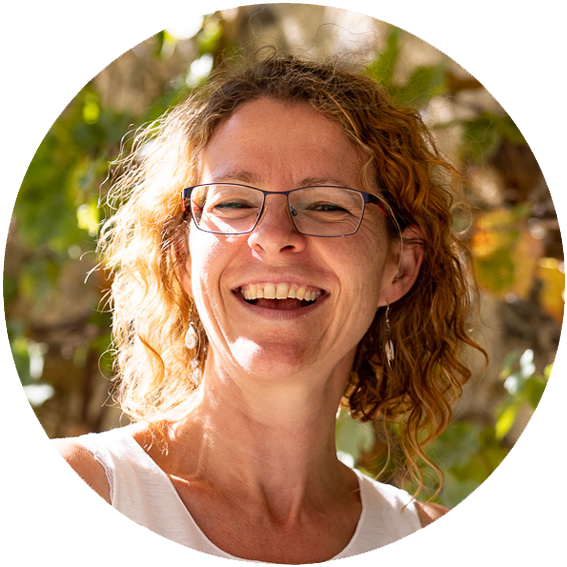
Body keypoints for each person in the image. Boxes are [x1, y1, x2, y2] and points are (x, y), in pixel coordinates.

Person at [54, 54, 485, 564]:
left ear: (399, 268)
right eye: (232, 203)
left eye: (326, 205)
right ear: (181, 255)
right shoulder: (74, 495)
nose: (274, 236)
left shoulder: (432, 541)